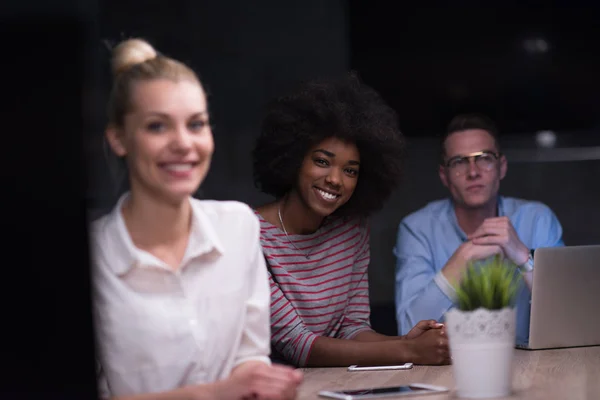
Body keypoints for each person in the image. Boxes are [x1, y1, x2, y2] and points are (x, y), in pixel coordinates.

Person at [91, 38, 302, 400]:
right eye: (158, 126)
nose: (184, 143)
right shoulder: (93, 256)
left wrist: (261, 383)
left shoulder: (239, 226)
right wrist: (215, 393)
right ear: (119, 138)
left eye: (196, 124)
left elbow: (249, 356)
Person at [252, 73, 450, 368]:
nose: (335, 179)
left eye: (351, 170)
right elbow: (297, 345)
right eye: (322, 161)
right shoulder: (249, 236)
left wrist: (412, 342)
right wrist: (409, 352)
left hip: (336, 384)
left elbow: (352, 328)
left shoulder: (351, 230)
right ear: (294, 160)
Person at [393, 113, 564, 343]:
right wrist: (465, 255)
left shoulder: (537, 219)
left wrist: (525, 259)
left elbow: (567, 318)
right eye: (459, 162)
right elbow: (407, 330)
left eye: (484, 158)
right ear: (444, 176)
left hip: (526, 369)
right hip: (442, 372)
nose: (473, 172)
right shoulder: (417, 228)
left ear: (501, 167)